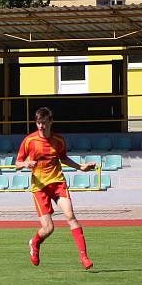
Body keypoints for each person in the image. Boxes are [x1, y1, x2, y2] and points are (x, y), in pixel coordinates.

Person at [16, 107, 95, 269]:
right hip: (40, 188)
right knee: (49, 228)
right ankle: (35, 243)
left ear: (50, 122)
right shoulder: (29, 141)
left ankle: (84, 257)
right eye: (38, 123)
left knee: (70, 216)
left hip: (58, 183)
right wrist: (25, 164)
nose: (40, 126)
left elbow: (64, 158)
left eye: (43, 123)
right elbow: (17, 164)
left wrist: (81, 167)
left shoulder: (59, 140)